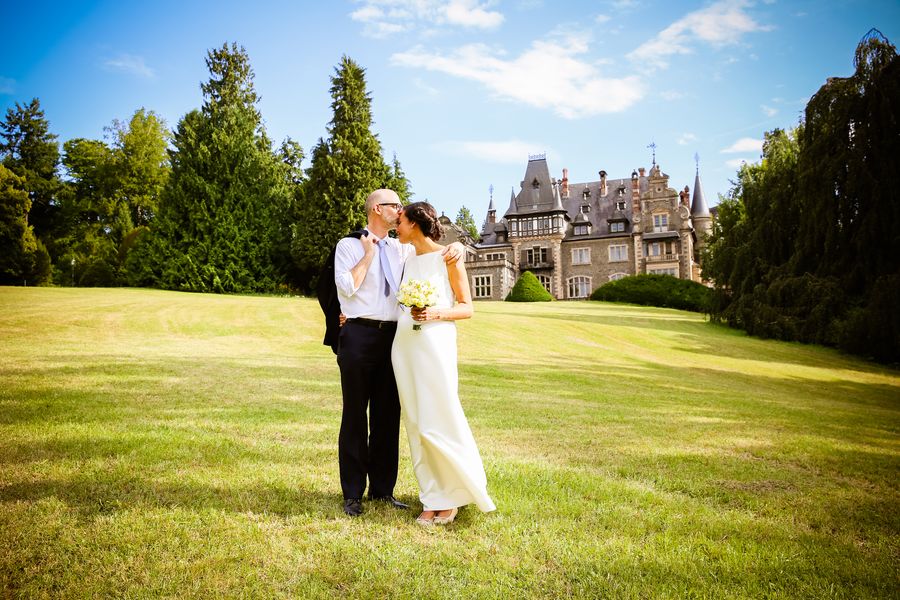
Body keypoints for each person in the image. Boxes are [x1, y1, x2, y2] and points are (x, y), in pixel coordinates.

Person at [333, 189, 462, 517]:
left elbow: (430, 256)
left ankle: (382, 490)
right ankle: (352, 494)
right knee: (354, 416)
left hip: (395, 338)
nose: (400, 211)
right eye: (395, 206)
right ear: (379, 209)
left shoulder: (402, 249)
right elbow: (345, 288)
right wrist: (367, 255)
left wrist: (457, 245)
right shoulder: (348, 246)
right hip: (359, 335)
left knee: (387, 416)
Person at [391, 202, 496, 526]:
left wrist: (435, 313)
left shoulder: (448, 256)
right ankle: (432, 495)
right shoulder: (406, 257)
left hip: (435, 344)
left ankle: (453, 495)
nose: (396, 226)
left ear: (415, 224)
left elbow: (467, 308)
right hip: (404, 346)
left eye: (400, 221)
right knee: (416, 423)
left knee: (440, 415)